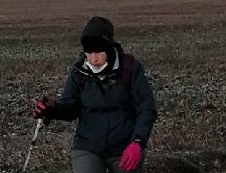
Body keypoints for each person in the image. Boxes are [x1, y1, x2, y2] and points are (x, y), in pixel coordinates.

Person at [32, 17, 157, 173]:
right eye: (88, 52)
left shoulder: (130, 68)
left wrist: (137, 142)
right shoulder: (79, 72)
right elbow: (70, 108)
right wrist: (52, 109)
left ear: (109, 48)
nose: (93, 58)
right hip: (88, 147)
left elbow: (146, 108)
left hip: (124, 147)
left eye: (98, 52)